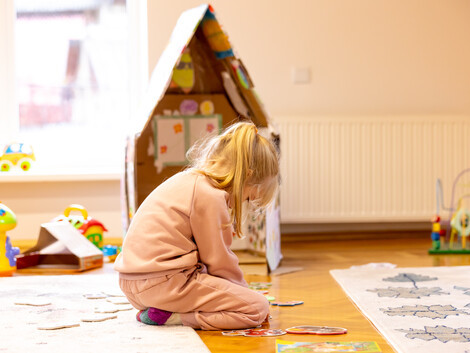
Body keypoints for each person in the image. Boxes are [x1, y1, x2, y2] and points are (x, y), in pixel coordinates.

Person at [114, 121, 280, 330]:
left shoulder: (189, 180)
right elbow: (219, 262)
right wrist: (243, 295)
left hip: (133, 286)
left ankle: (163, 311)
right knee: (256, 307)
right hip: (162, 285)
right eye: (248, 197)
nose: (244, 203)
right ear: (246, 176)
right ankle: (176, 318)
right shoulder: (210, 196)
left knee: (240, 298)